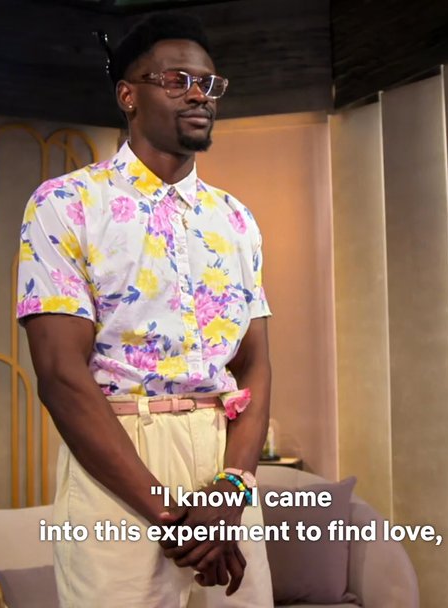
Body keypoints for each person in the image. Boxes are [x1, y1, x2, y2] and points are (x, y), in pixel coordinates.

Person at [18, 12, 274, 607]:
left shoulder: (236, 219)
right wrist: (168, 516)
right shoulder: (67, 203)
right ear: (128, 95)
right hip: (119, 465)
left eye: (208, 83)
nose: (199, 95)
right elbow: (60, 376)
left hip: (225, 472)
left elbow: (254, 366)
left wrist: (233, 488)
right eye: (177, 80)